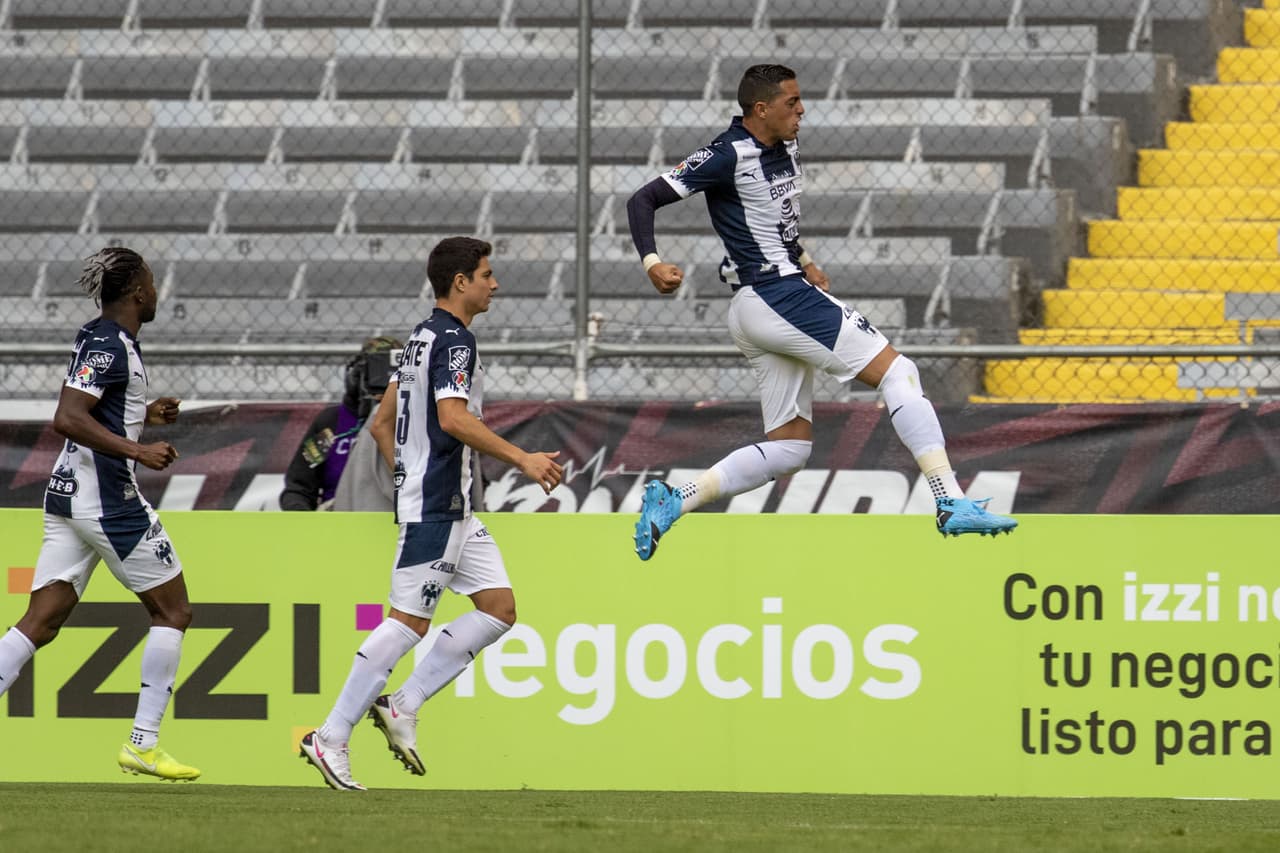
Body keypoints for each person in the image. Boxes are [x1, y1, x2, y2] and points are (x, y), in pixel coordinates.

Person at [624, 63, 1017, 560]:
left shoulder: (784, 146)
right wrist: (652, 263)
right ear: (761, 109)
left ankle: (673, 503)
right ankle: (949, 501)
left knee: (790, 449)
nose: (802, 109)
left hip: (764, 300)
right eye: (792, 102)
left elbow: (775, 220)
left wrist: (805, 259)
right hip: (774, 295)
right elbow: (644, 199)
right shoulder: (726, 153)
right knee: (900, 372)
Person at [299, 236, 564, 791]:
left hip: (451, 504)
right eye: (488, 275)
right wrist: (523, 458)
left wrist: (407, 470)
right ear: (461, 282)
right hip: (440, 503)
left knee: (498, 608)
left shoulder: (419, 339)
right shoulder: (456, 342)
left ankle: (404, 704)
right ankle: (331, 735)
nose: (496, 284)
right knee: (407, 623)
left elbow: (380, 422)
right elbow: (453, 418)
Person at [0, 247, 200, 780]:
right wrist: (138, 450)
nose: (156, 292)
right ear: (137, 291)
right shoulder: (112, 345)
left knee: (40, 622)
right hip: (107, 500)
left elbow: (96, 406)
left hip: (68, 495)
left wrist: (144, 414)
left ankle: (142, 743)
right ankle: (143, 743)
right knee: (173, 611)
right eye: (152, 283)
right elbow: (67, 416)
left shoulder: (103, 337)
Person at [279, 336, 401, 511]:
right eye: (376, 375)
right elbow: (299, 488)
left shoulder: (415, 423)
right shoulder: (331, 424)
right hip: (339, 523)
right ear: (356, 376)